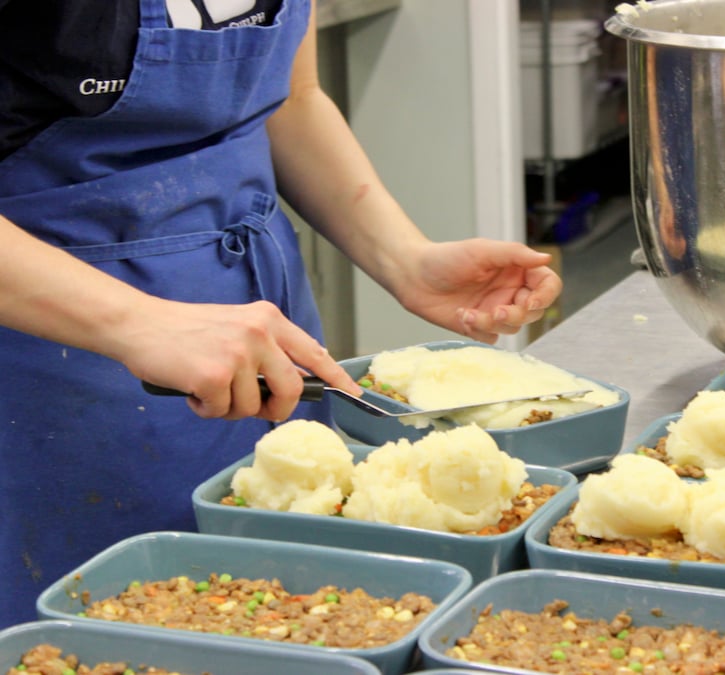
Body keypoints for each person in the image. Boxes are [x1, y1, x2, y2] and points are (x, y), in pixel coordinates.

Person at [0, 0, 562, 628]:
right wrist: (138, 322)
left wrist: (403, 258)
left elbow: (287, 99)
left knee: (291, 610)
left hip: (264, 331)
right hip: (54, 360)